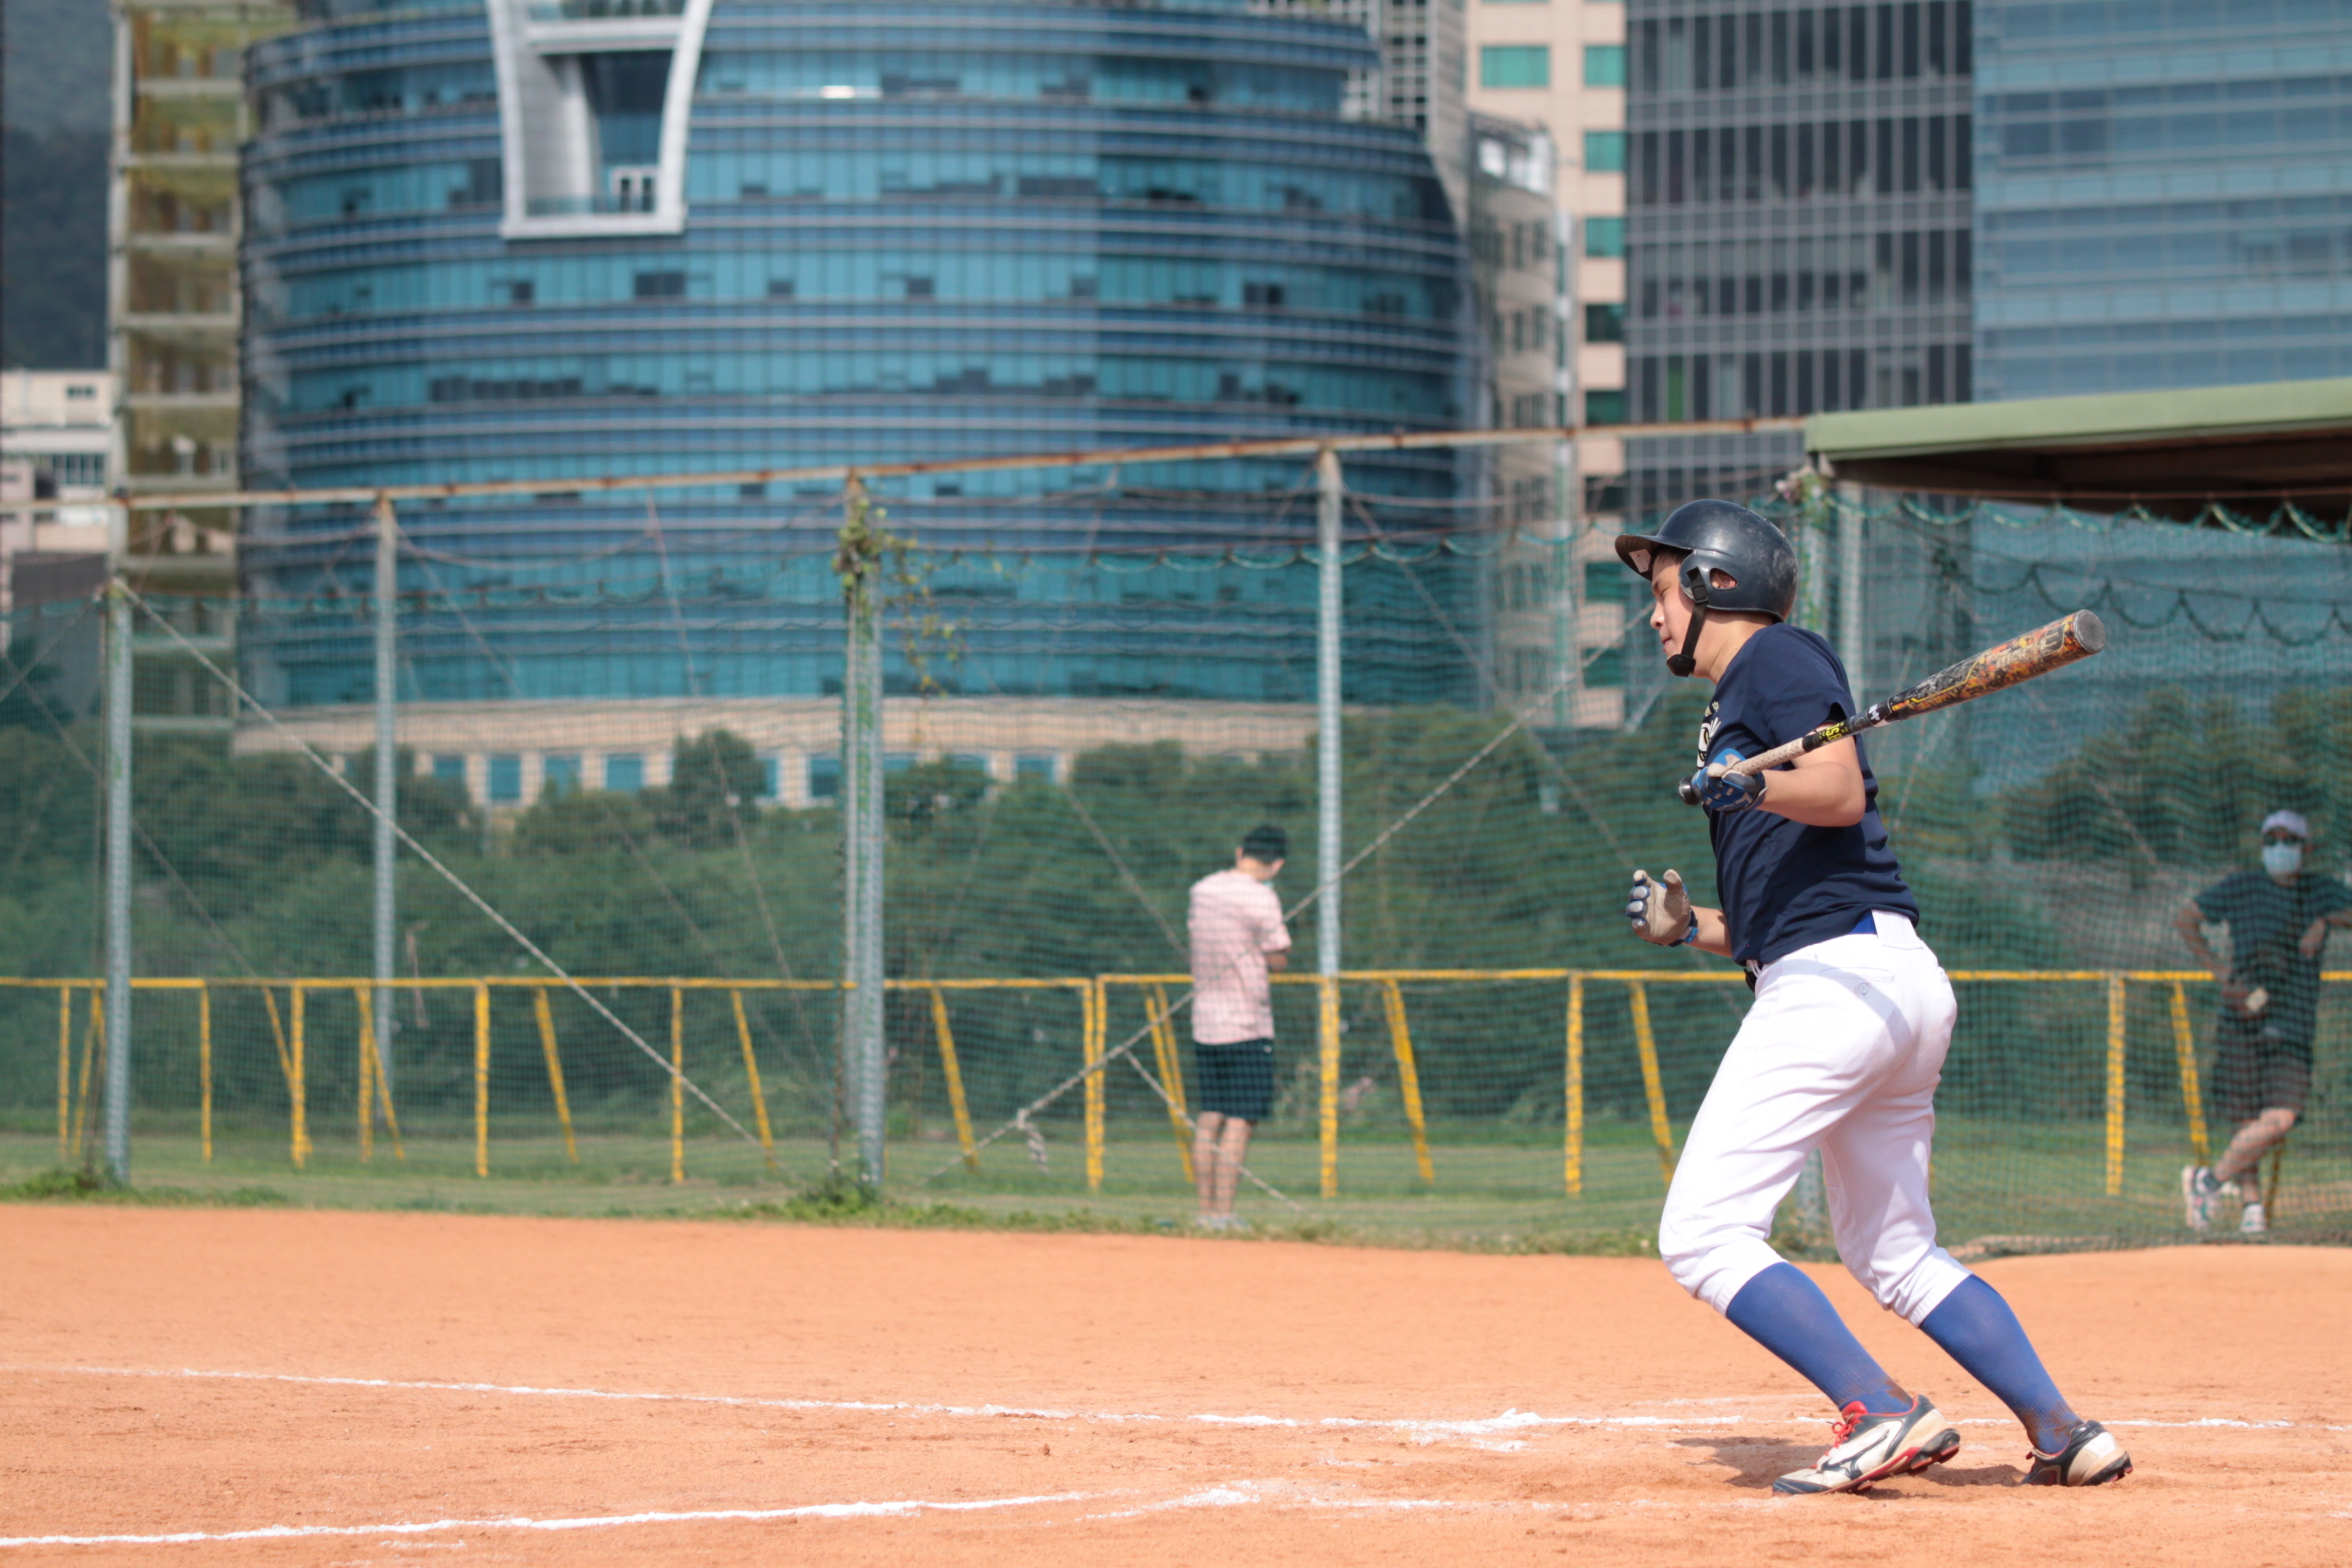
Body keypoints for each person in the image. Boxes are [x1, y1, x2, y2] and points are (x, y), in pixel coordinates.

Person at [1617, 500, 2130, 1495]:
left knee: (1703, 1231)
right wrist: (1690, 927)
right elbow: (1781, 916)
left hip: (1838, 989)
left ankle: (1880, 1408)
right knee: (1895, 1249)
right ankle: (2062, 1428)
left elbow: (1839, 789)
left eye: (1664, 589)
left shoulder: (1773, 656)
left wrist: (1751, 784)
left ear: (1716, 582)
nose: (1654, 612)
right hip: (1875, 979)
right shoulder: (1741, 705)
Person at [2176, 809, 2352, 1236]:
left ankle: (2208, 1181)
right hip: (2243, 1018)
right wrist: (2221, 973)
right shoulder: (2242, 886)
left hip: (2293, 1024)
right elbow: (2186, 918)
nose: (2279, 848)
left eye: (2289, 840)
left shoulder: (2321, 890)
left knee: (2280, 1118)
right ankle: (2251, 1208)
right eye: (2271, 840)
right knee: (2243, 1117)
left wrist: (2325, 920)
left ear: (2306, 848)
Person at [1186, 824, 1291, 1231]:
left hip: (1205, 1021)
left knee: (1210, 1115)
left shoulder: (1202, 890)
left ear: (1239, 852)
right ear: (1276, 864)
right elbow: (1277, 959)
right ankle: (1224, 1214)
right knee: (1240, 1119)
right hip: (1247, 1024)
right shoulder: (1262, 897)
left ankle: (1205, 1212)